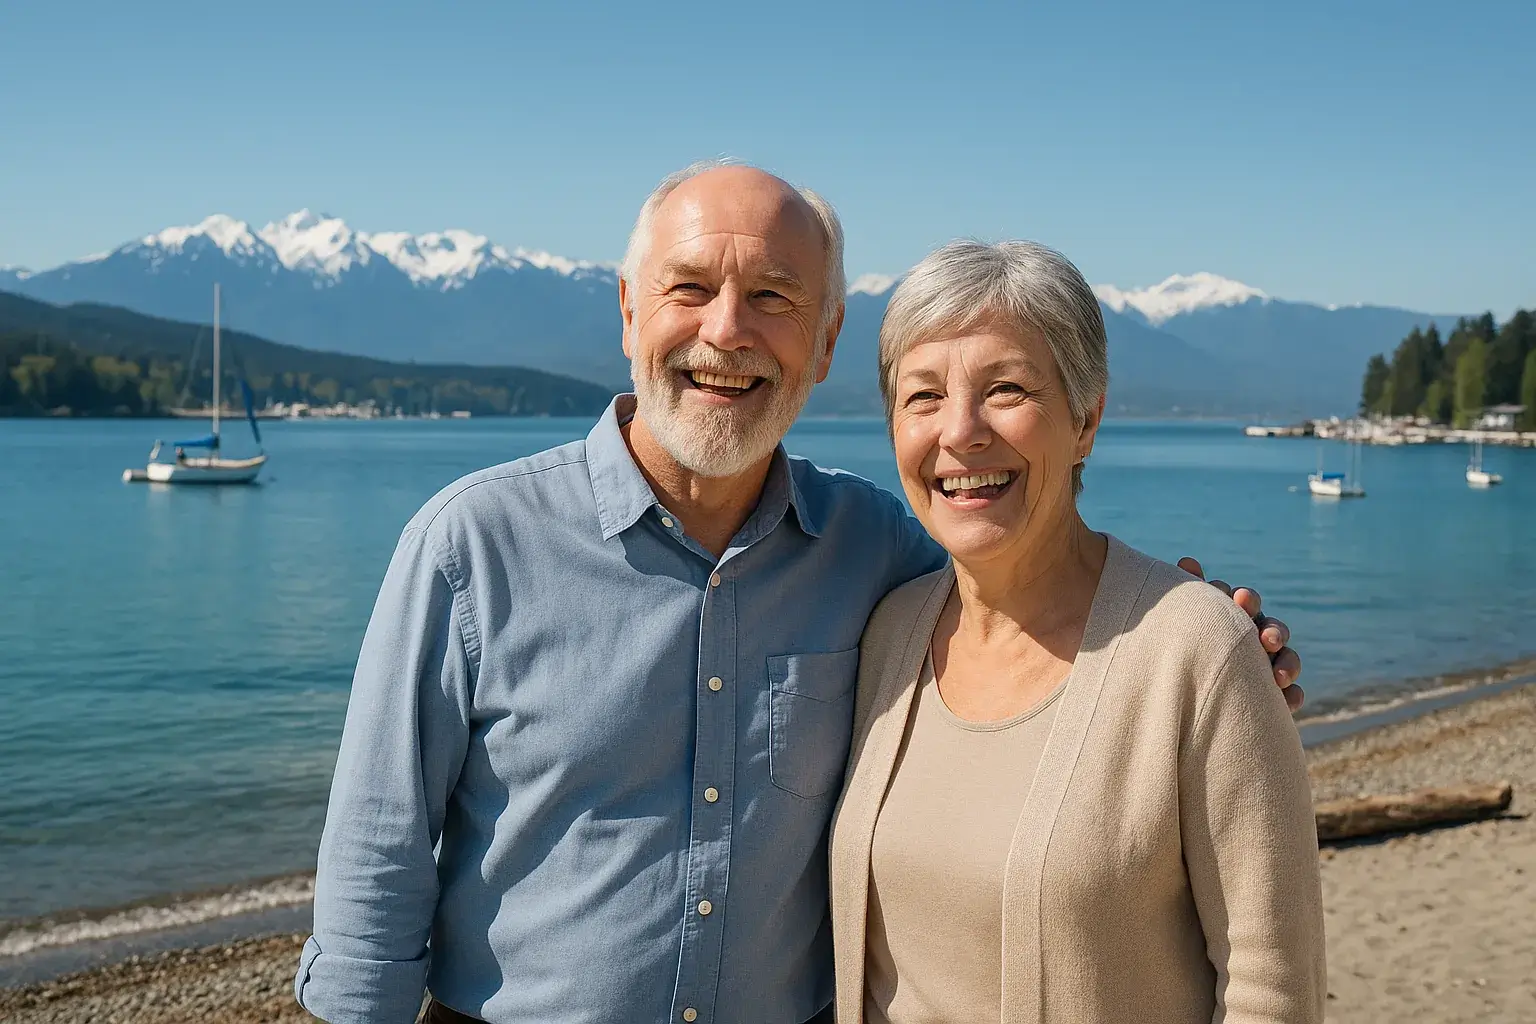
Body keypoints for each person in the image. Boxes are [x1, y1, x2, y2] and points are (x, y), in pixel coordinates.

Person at [294, 162, 1304, 1024]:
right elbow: (376, 869)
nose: (726, 333)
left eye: (774, 296)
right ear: (629, 311)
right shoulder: (472, 545)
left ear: (823, 345)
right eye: (690, 287)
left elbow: (1026, 583)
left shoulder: (877, 551)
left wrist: (1203, 641)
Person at [829, 240, 1325, 1024]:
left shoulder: (1196, 649)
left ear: (1085, 419)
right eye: (923, 397)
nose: (961, 432)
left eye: (1006, 389)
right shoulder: (885, 633)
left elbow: (1271, 990)